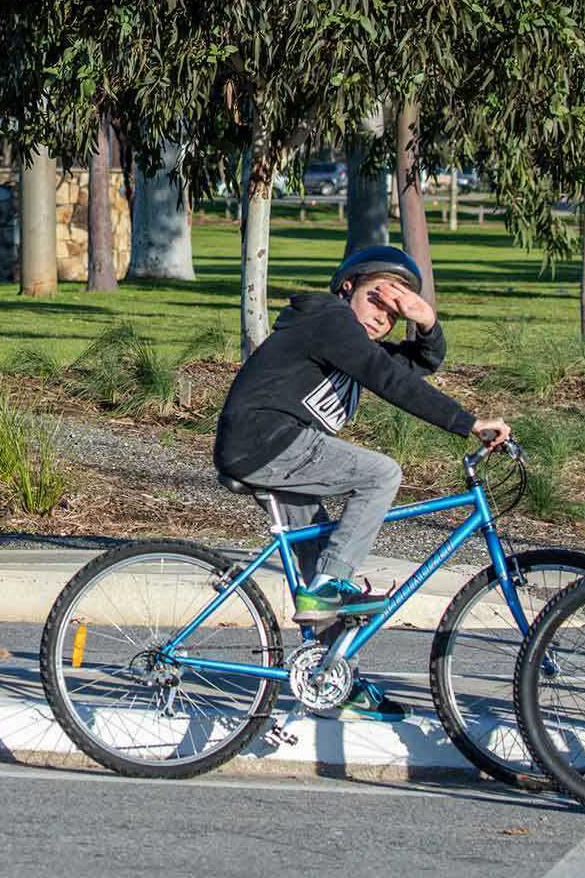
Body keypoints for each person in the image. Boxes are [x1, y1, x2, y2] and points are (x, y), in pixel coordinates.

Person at [212, 244, 510, 718]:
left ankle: (331, 677)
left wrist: (426, 323)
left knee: (322, 570)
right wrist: (468, 422)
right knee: (380, 474)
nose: (382, 318)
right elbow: (392, 383)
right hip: (265, 440)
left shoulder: (353, 342)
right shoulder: (329, 321)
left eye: (393, 314)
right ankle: (330, 584)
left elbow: (416, 365)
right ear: (347, 287)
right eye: (377, 299)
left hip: (276, 453)